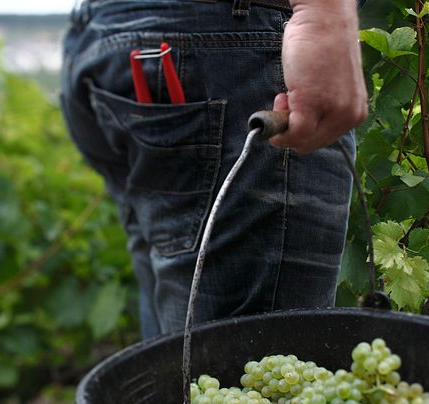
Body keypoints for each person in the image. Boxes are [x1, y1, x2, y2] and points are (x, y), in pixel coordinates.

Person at [60, 0, 367, 339]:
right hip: (233, 38)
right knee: (248, 366)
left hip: (109, 30)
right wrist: (323, 15)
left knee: (176, 351)